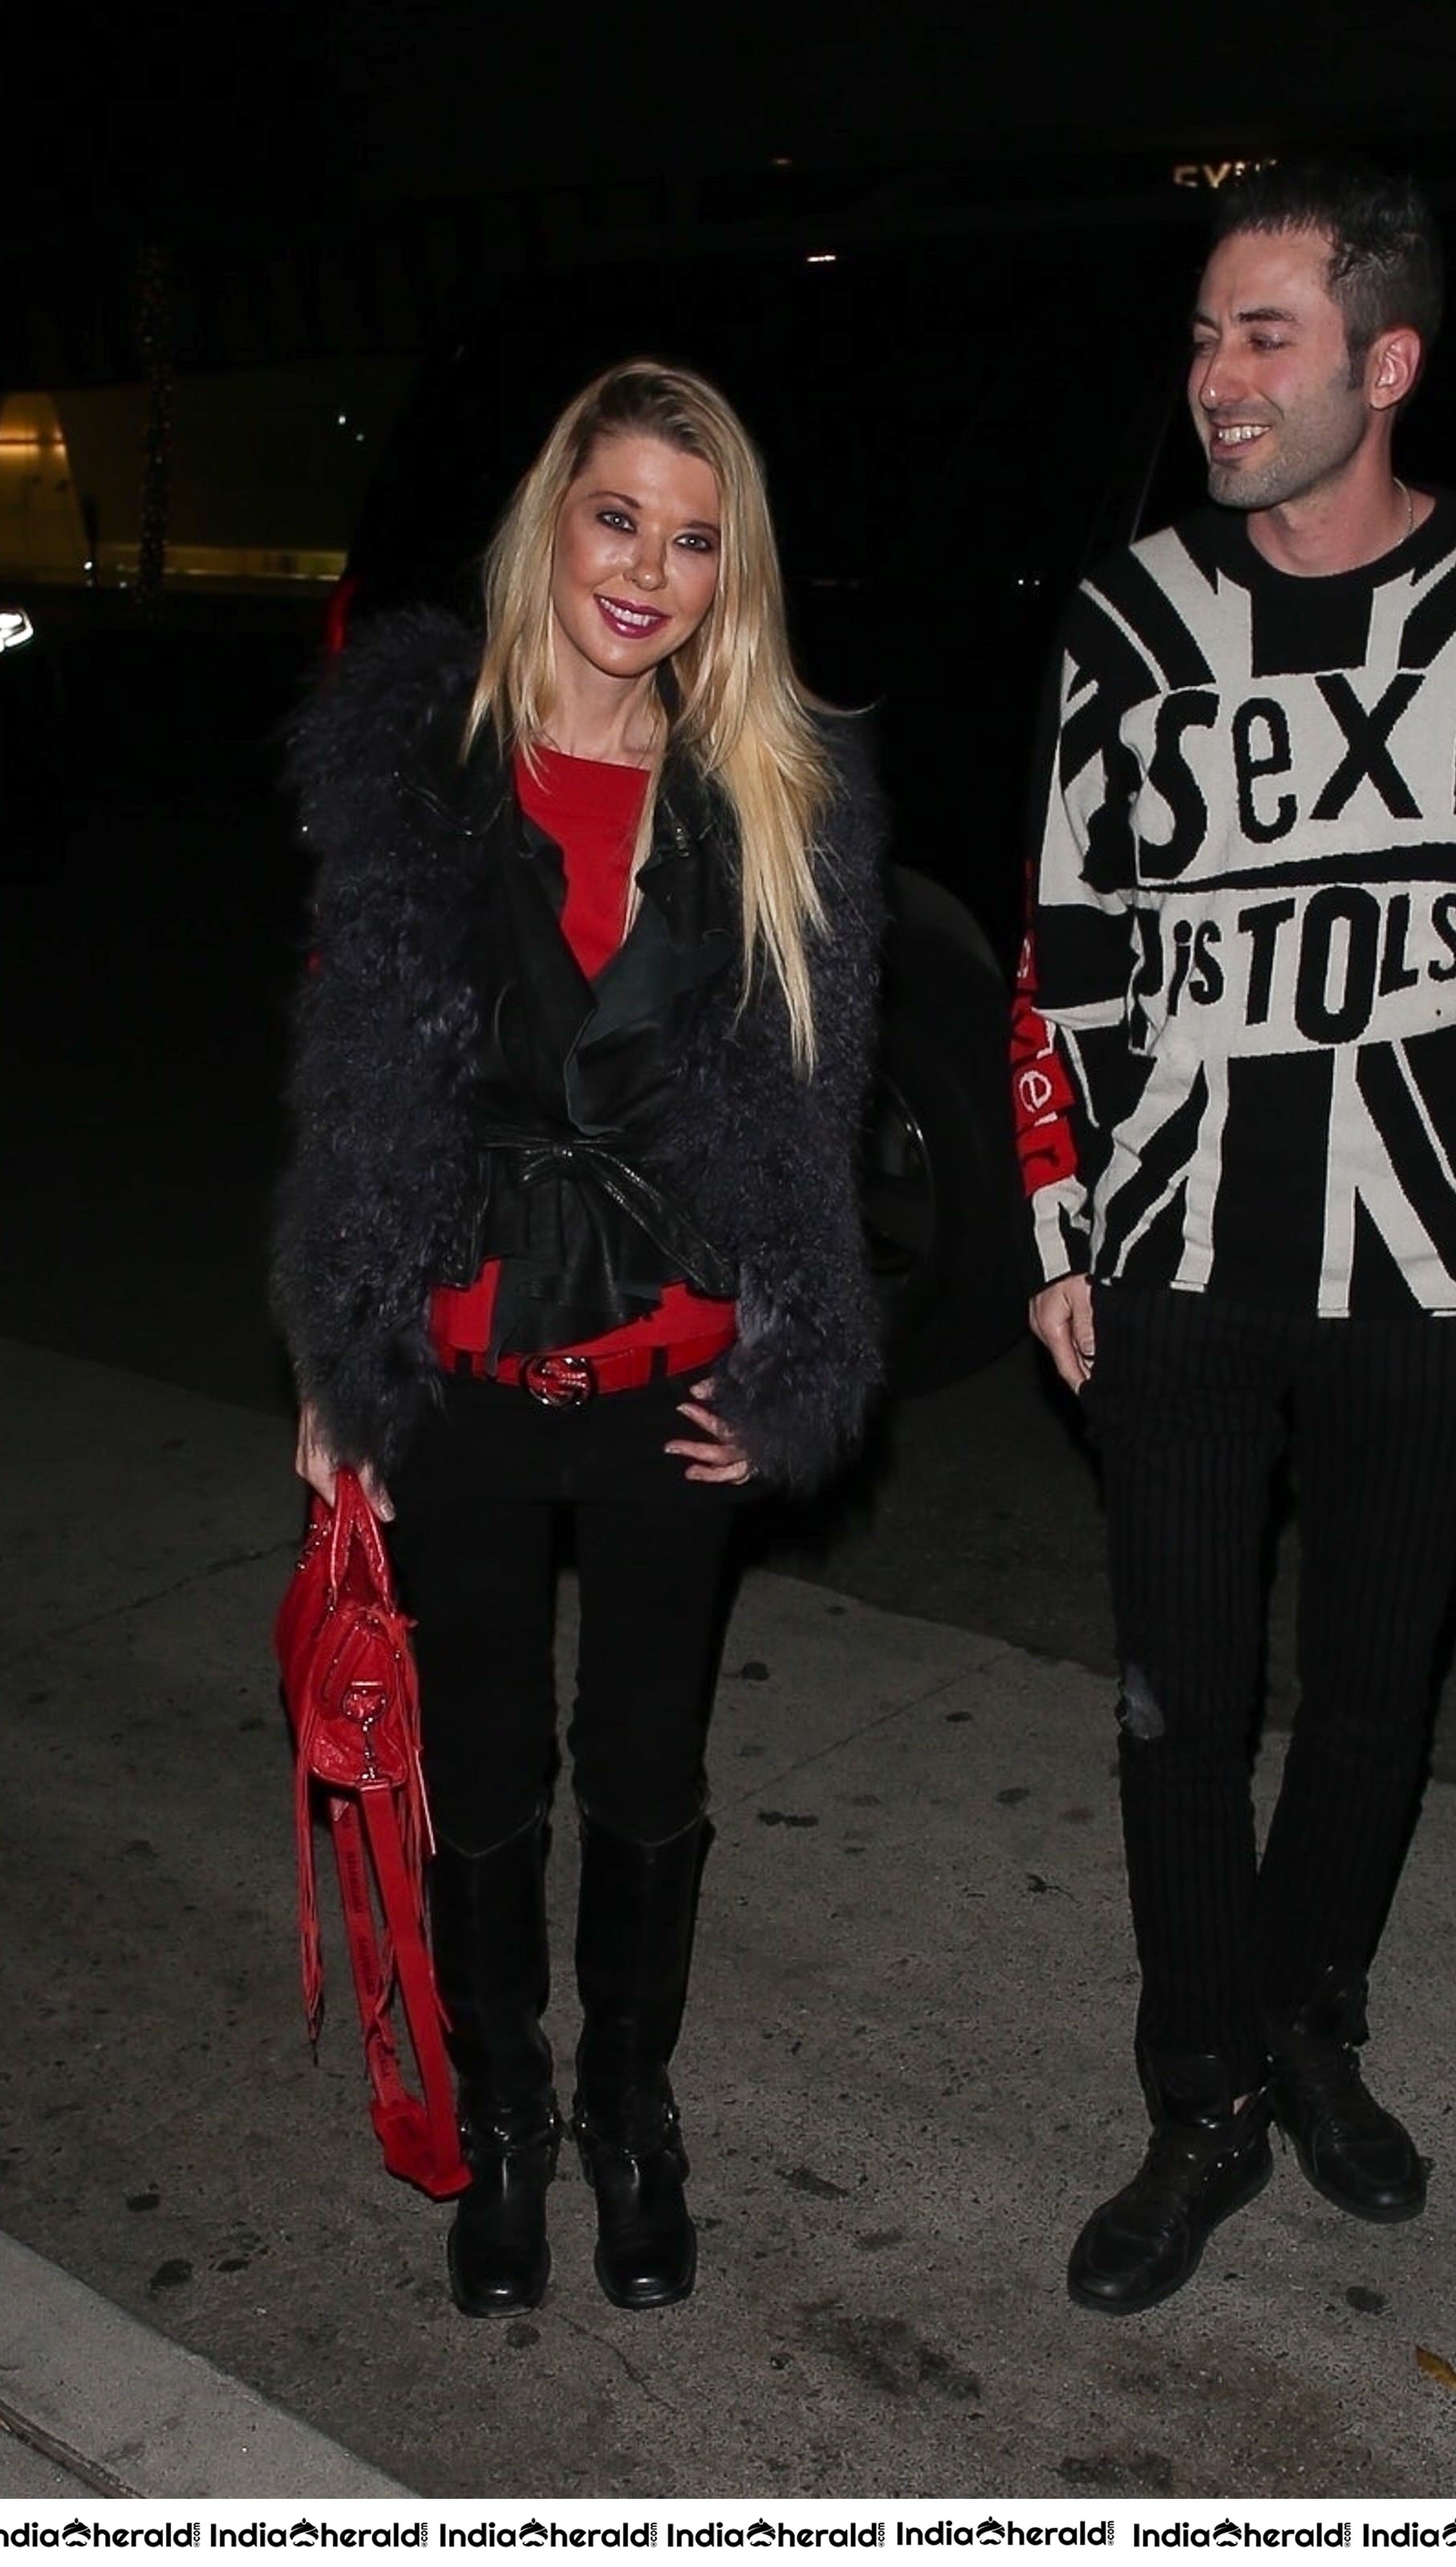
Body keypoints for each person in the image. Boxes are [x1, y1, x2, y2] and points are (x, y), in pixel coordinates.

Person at [1012, 163, 1456, 2313]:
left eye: (1260, 336)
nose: (1211, 379)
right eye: (1201, 334)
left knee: (1371, 1704)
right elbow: (1061, 956)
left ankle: (1307, 2021)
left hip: (1434, 1282)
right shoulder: (1124, 622)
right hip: (1180, 1276)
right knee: (1171, 1713)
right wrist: (1052, 1226)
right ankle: (1195, 2090)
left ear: (1381, 361)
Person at [273, 360, 883, 2320]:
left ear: (732, 574)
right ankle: (510, 2114)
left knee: (641, 1760)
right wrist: (333, 1367)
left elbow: (814, 1101)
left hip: (660, 1380)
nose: (647, 567)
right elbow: (353, 1081)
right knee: (480, 1765)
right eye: (616, 514)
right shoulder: (416, 763)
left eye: (693, 538)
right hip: (456, 1378)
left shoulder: (776, 791)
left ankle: (631, 2108)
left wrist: (791, 1355)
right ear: (554, 517)